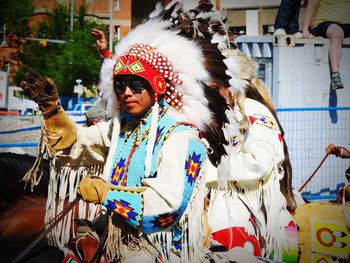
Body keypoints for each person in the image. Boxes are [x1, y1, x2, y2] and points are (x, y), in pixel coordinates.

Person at [19, 12, 225, 263]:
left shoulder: (181, 136)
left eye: (136, 85)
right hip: (114, 236)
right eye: (120, 85)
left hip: (164, 248)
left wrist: (106, 194)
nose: (126, 93)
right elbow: (76, 144)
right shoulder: (122, 129)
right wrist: (52, 110)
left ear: (157, 86)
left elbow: (167, 209)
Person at [302, 0, 350, 90]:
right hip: (327, 23)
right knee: (337, 33)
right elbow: (311, 5)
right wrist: (305, 29)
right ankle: (335, 76)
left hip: (347, 24)